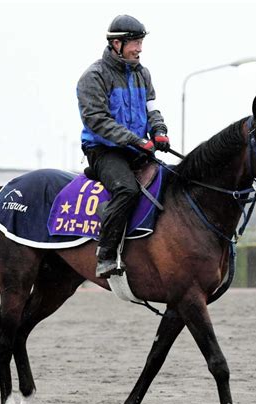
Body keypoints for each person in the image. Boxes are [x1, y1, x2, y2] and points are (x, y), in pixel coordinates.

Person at [76, 14, 170, 278]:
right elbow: (97, 120)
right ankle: (105, 254)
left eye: (140, 42)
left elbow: (152, 108)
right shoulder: (93, 77)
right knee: (127, 190)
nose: (139, 48)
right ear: (116, 44)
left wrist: (159, 130)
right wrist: (135, 140)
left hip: (137, 149)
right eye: (135, 43)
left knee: (169, 179)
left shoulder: (143, 74)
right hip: (103, 150)